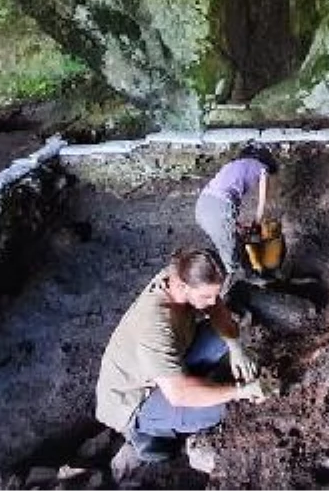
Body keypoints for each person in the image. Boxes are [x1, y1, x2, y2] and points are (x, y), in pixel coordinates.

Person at [95, 249, 268, 471]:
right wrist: (239, 391)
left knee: (224, 337)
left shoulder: (182, 274)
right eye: (206, 296)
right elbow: (179, 394)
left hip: (169, 358)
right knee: (220, 409)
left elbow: (217, 307)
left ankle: (199, 382)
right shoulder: (155, 326)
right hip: (134, 397)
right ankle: (144, 440)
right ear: (183, 287)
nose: (214, 301)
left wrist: (236, 349)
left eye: (215, 294)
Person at [195, 143, 278, 275]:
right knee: (230, 256)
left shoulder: (234, 165)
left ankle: (247, 272)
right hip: (219, 208)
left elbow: (221, 198)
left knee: (233, 244)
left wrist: (237, 226)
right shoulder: (263, 168)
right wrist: (256, 222)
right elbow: (262, 202)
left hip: (202, 206)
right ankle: (231, 285)